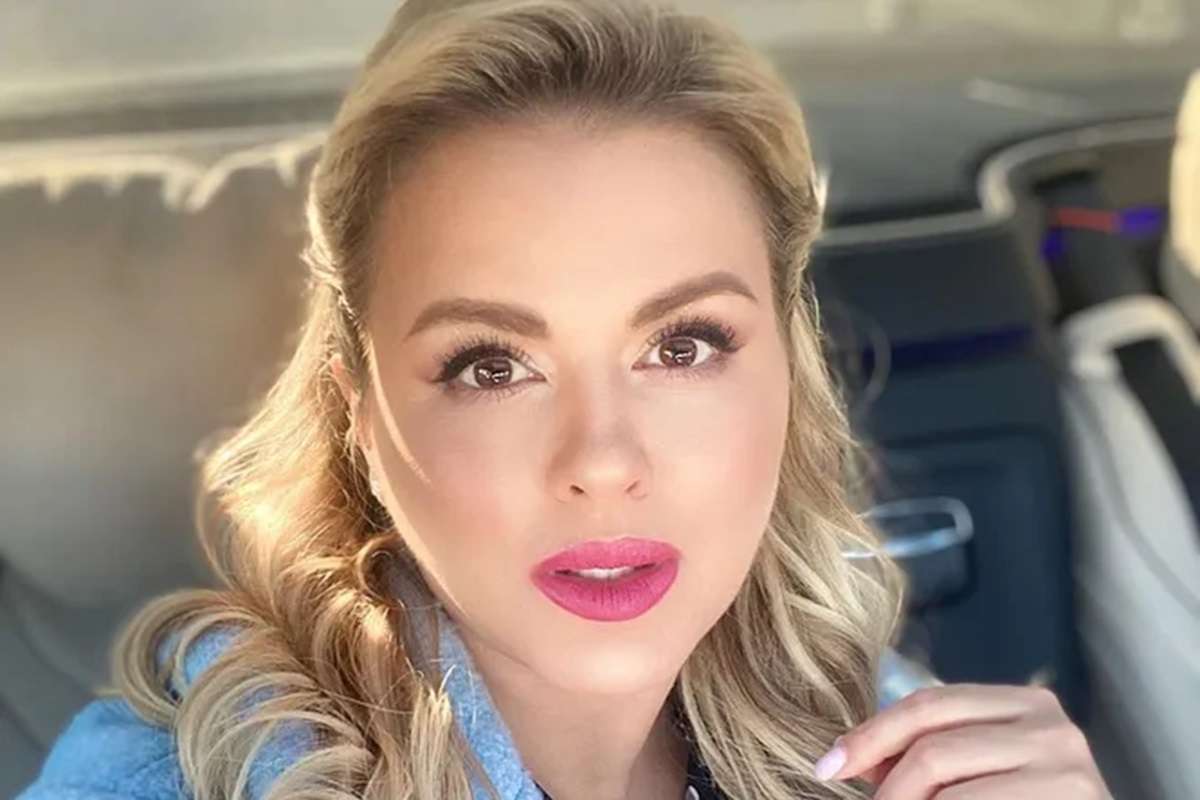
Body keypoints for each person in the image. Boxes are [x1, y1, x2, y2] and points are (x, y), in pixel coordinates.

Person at [18, 1, 1112, 798]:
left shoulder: (871, 716)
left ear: (786, 371)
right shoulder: (178, 773)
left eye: (682, 345)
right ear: (359, 410)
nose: (603, 458)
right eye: (491, 365)